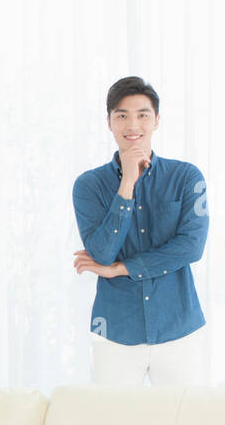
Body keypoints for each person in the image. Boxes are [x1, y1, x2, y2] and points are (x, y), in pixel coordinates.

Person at [72, 76, 210, 385]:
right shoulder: (88, 186)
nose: (132, 124)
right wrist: (127, 185)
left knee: (186, 422)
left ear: (156, 120)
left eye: (142, 114)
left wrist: (122, 269)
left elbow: (191, 247)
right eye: (122, 115)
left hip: (179, 328)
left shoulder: (187, 178)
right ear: (109, 121)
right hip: (116, 331)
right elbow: (102, 253)